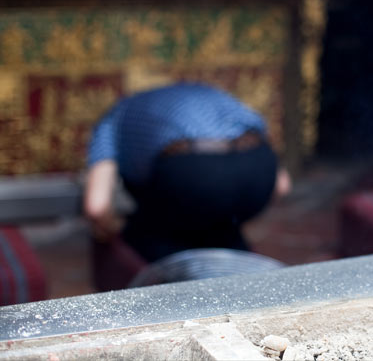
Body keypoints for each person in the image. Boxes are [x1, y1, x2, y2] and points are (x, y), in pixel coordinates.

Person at [83, 82, 291, 263]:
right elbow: (282, 185)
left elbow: (97, 206)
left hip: (191, 175)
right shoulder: (213, 96)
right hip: (259, 167)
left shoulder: (116, 115)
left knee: (149, 232)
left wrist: (112, 231)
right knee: (219, 224)